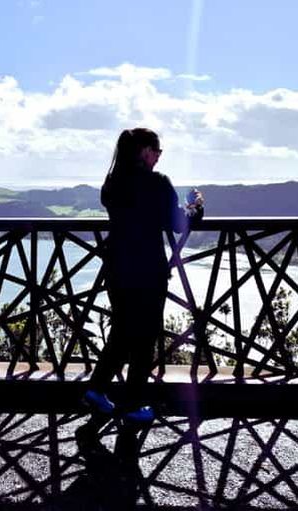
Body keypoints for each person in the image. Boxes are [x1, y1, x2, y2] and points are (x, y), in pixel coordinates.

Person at [85, 128, 204, 424]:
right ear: (144, 151)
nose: (159, 156)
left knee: (123, 329)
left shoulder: (112, 184)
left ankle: (98, 389)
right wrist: (196, 207)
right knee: (145, 336)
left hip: (116, 265)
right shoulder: (158, 183)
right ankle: (133, 406)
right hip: (148, 268)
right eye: (157, 150)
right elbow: (179, 224)